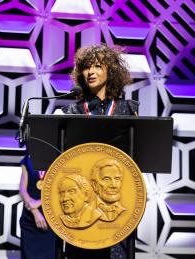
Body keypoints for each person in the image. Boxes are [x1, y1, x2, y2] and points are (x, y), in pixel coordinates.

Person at [61, 43, 139, 259]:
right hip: (83, 200)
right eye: (86, 67)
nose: (91, 72)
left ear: (110, 70)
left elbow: (136, 154)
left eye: (97, 66)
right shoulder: (71, 111)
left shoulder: (128, 109)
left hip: (118, 196)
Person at [19, 154, 60, 259]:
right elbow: (22, 190)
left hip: (50, 215)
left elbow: (59, 189)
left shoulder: (58, 158)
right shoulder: (27, 159)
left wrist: (40, 202)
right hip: (29, 217)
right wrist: (34, 210)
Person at [90, 158, 126, 222]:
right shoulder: (87, 211)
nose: (114, 185)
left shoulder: (125, 210)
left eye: (117, 179)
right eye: (107, 179)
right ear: (95, 185)